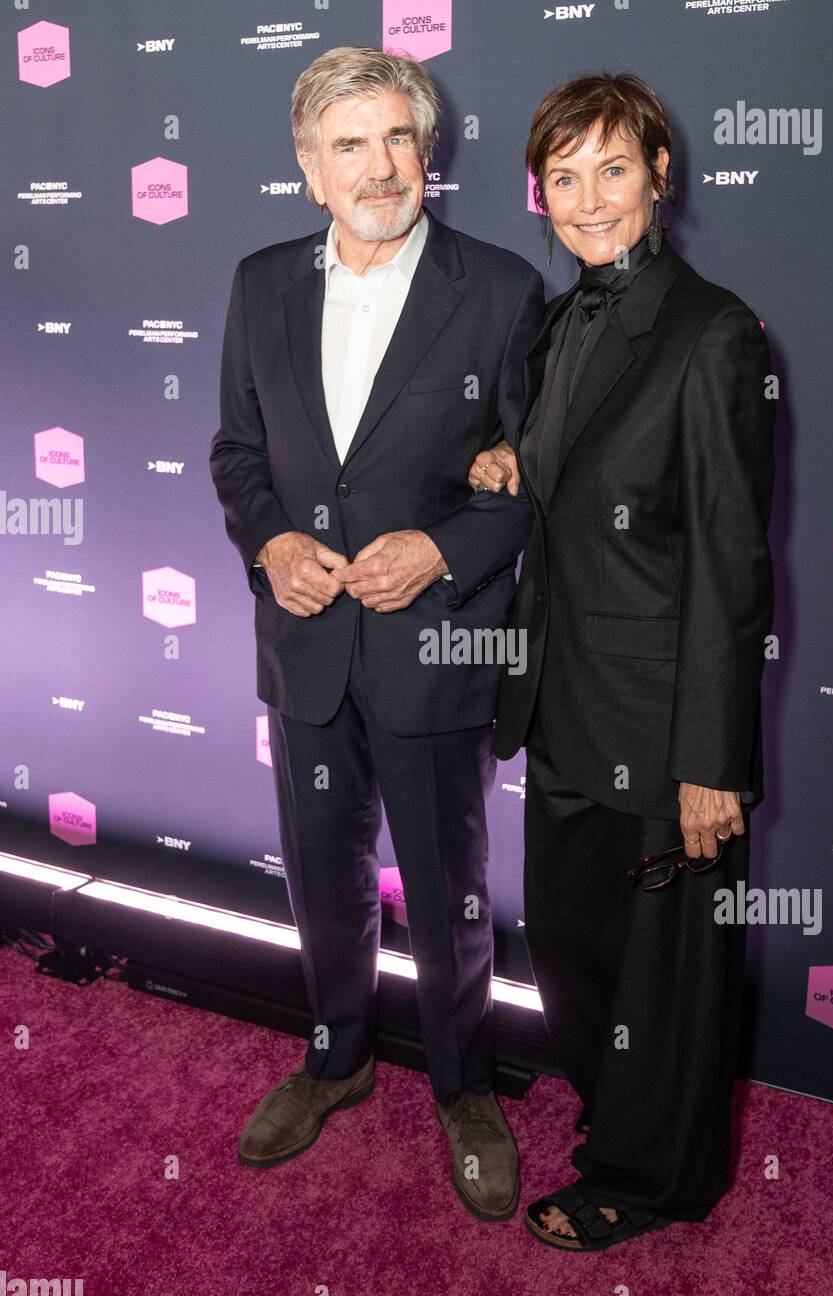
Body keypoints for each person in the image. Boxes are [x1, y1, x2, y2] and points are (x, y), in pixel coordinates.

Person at [209, 46, 545, 1221]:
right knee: (320, 878)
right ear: (310, 168)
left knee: (449, 885)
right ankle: (334, 1056)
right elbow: (238, 456)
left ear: (428, 152)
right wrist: (271, 546)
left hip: (436, 647)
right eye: (348, 144)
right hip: (305, 646)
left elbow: (530, 476)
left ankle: (464, 1088)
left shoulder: (501, 289)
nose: (379, 166)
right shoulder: (259, 283)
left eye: (398, 138)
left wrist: (445, 549)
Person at [471, 71, 775, 1250]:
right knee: (572, 941)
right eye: (564, 174)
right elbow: (569, 461)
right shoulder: (559, 319)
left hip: (660, 730)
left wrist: (712, 759)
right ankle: (622, 1117)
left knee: (664, 976)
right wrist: (511, 463)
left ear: (660, 175)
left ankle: (655, 1178)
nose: (588, 196)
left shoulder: (713, 333)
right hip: (556, 704)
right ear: (536, 190)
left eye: (613, 168)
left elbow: (733, 565)